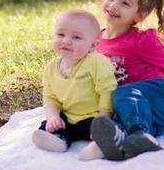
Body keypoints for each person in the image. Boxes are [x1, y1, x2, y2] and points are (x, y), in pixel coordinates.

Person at [89, 0, 164, 161]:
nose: (113, 5)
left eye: (125, 3)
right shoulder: (95, 40)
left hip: (159, 99)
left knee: (122, 93)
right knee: (108, 113)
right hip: (137, 112)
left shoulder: (141, 40)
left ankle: (140, 133)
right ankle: (125, 140)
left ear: (138, 15)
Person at [32, 9, 117, 156]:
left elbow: (108, 90)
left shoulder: (95, 62)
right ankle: (59, 139)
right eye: (60, 35)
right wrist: (53, 117)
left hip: (94, 116)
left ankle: (102, 143)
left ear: (92, 46)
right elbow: (50, 97)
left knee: (106, 128)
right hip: (69, 117)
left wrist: (104, 117)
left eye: (76, 37)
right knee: (50, 126)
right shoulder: (51, 68)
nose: (66, 40)